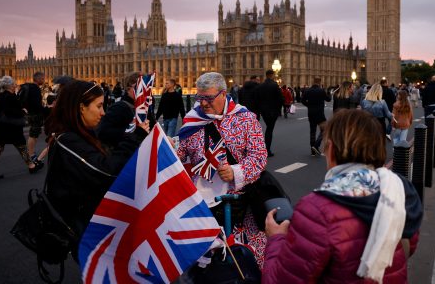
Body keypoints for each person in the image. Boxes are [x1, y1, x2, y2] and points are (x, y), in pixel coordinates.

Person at [262, 109, 422, 283]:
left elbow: (280, 280)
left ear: (330, 149)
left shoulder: (318, 209)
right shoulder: (398, 190)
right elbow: (408, 247)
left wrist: (276, 238)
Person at [45, 80, 149, 259]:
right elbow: (105, 170)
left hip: (96, 220)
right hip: (84, 227)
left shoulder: (84, 134)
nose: (103, 112)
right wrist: (135, 137)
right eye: (99, 106)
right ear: (81, 107)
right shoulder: (68, 140)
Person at [176, 72, 268, 267]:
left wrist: (236, 171)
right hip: (202, 208)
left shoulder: (246, 119)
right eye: (199, 98)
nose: (203, 103)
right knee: (207, 264)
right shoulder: (192, 121)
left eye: (208, 98)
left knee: (241, 262)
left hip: (237, 206)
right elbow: (180, 155)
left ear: (223, 94)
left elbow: (259, 157)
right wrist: (167, 146)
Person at [0, 76, 43, 180]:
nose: (15, 85)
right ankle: (31, 166)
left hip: (0, 127)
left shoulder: (0, 96)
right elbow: (11, 111)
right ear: (9, 85)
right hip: (11, 127)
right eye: (13, 84)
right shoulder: (10, 96)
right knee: (21, 146)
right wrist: (22, 111)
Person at [96, 72, 140, 148]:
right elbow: (102, 131)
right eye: (140, 87)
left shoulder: (143, 107)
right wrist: (130, 132)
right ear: (128, 88)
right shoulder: (119, 107)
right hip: (124, 154)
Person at [254, 70, 284, 157]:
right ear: (272, 75)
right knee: (269, 129)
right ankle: (267, 150)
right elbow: (281, 98)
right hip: (273, 111)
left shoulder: (260, 86)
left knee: (268, 128)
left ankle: (265, 148)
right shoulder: (274, 85)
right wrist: (278, 109)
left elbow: (257, 99)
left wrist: (260, 109)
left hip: (264, 111)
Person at [20, 71, 46, 166]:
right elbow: (36, 104)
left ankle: (32, 153)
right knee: (33, 135)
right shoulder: (35, 89)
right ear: (38, 79)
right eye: (43, 79)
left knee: (34, 134)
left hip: (31, 114)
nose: (44, 80)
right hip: (35, 115)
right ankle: (31, 154)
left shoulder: (29, 87)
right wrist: (45, 109)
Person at [302, 77, 331, 156]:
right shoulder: (321, 91)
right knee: (324, 130)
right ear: (319, 82)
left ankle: (313, 151)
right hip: (320, 114)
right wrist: (328, 93)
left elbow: (302, 100)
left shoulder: (308, 90)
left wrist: (309, 106)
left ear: (313, 81)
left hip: (311, 113)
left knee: (312, 132)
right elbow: (328, 99)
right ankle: (316, 145)